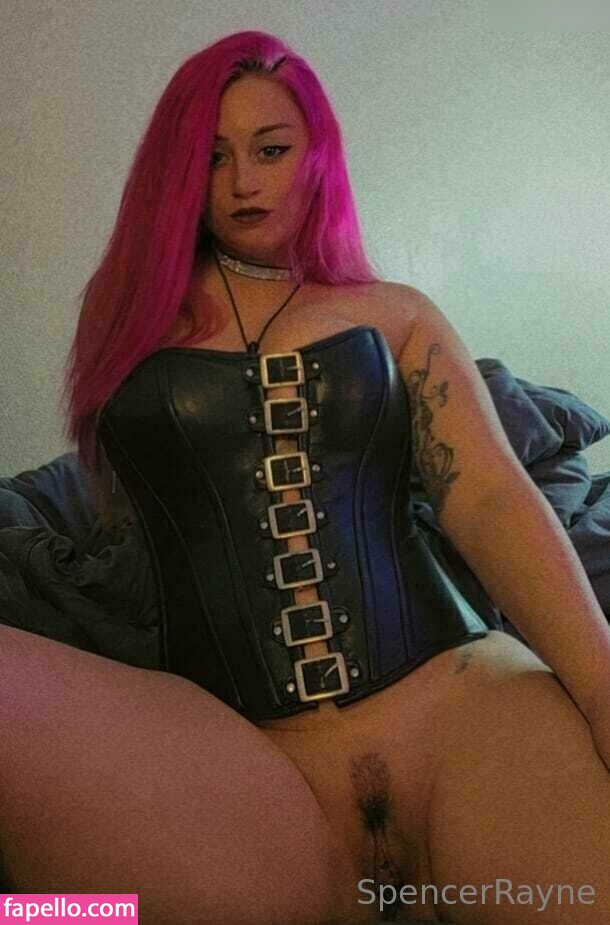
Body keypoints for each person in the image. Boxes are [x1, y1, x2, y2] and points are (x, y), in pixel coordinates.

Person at [1, 29, 610, 925]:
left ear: (316, 156)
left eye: (272, 150)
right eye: (212, 157)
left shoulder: (393, 315)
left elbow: (486, 496)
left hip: (458, 710)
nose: (243, 181)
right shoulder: (131, 322)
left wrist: (600, 683)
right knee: (53, 913)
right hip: (242, 767)